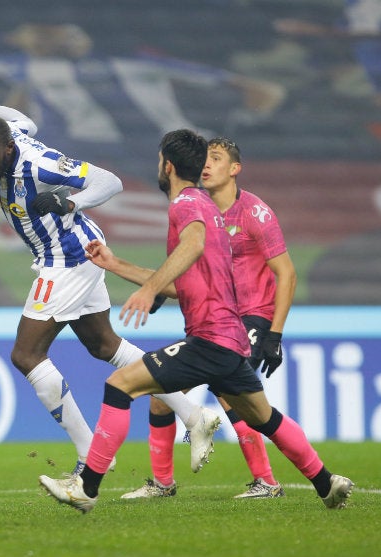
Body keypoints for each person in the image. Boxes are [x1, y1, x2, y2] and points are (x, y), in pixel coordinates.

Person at [38, 129, 353, 513]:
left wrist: (149, 288)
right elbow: (184, 283)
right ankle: (327, 483)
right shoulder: (207, 208)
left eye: (159, 160)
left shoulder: (186, 206)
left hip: (210, 339)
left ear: (167, 166)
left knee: (120, 385)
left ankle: (86, 488)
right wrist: (115, 264)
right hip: (231, 341)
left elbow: (192, 246)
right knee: (264, 418)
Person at [0, 79, 220, 476]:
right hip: (74, 253)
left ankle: (90, 454)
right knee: (105, 345)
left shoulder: (39, 164)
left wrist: (69, 200)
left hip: (67, 259)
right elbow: (20, 119)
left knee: (26, 355)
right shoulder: (11, 136)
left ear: (7, 150)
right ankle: (194, 415)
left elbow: (110, 182)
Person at [120, 137, 297, 500]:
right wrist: (160, 293)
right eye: (204, 158)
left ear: (234, 169)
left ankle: (266, 480)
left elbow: (287, 273)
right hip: (217, 318)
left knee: (229, 394)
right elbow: (195, 269)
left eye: (216, 159)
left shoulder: (254, 212)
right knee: (161, 396)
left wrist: (274, 335)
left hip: (250, 318)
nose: (206, 164)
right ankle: (163, 483)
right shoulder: (198, 208)